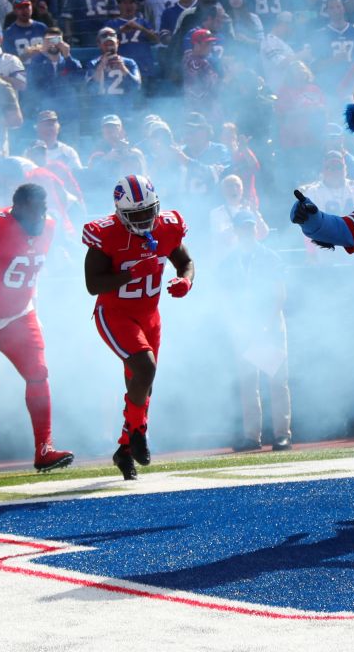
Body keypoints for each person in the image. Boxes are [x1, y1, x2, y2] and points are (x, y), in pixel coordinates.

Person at [82, 175, 195, 480]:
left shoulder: (167, 226)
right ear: (120, 214)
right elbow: (93, 285)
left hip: (150, 315)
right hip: (115, 313)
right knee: (145, 369)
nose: (145, 220)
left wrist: (185, 281)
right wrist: (130, 274)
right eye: (137, 215)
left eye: (149, 212)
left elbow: (184, 261)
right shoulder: (106, 234)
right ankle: (138, 430)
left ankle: (124, 449)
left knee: (145, 381)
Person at [0, 184, 75, 472]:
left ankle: (44, 448)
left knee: (38, 374)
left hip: (21, 313)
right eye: (33, 211)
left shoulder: (49, 226)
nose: (39, 217)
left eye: (43, 210)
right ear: (17, 208)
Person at [220, 211, 292, 452]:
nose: (246, 232)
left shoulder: (270, 258)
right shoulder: (229, 262)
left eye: (250, 228)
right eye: (242, 228)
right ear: (236, 231)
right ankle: (252, 436)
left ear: (255, 230)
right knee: (248, 382)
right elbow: (227, 299)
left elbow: (279, 295)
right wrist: (238, 326)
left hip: (269, 325)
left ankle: (282, 434)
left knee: (277, 381)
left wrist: (266, 324)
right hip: (246, 327)